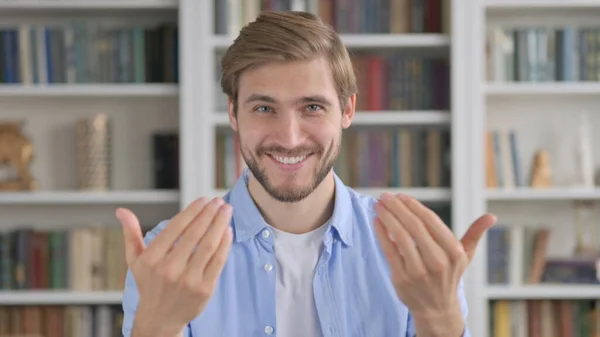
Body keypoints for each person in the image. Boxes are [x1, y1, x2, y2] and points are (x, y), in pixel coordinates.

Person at [118, 10, 496, 337]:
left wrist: (440, 318)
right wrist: (157, 327)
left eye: (312, 107)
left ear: (347, 110)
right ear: (233, 113)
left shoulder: (419, 253)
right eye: (264, 109)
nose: (289, 137)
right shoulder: (168, 260)